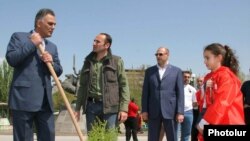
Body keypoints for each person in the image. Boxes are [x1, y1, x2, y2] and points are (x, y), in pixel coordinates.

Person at [5, 8, 63, 141]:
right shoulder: (19, 37)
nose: (53, 27)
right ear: (38, 23)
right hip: (23, 99)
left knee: (48, 137)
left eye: (54, 24)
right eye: (50, 23)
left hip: (46, 103)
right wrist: (32, 44)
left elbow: (58, 70)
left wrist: (51, 63)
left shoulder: (52, 47)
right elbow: (12, 59)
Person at [74, 33, 130, 133]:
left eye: (97, 41)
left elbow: (124, 86)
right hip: (91, 106)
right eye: (94, 41)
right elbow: (82, 86)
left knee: (110, 138)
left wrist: (124, 109)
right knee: (94, 138)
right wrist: (77, 108)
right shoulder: (87, 61)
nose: (93, 43)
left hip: (110, 107)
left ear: (107, 45)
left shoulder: (117, 61)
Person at [196, 43, 245, 141]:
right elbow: (201, 101)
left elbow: (223, 102)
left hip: (228, 122)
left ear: (219, 58)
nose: (204, 61)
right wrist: (203, 89)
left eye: (207, 58)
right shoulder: (208, 77)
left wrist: (205, 122)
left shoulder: (227, 77)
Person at [141, 47, 184, 141]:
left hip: (171, 110)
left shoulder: (177, 71)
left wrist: (180, 112)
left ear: (167, 55)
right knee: (152, 137)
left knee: (172, 137)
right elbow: (145, 92)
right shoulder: (149, 71)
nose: (158, 56)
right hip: (153, 110)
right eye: (156, 54)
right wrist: (144, 110)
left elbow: (180, 92)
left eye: (160, 54)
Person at [178, 71, 197, 141]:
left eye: (188, 77)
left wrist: (189, 105)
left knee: (186, 135)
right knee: (175, 134)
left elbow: (195, 103)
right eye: (185, 77)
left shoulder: (192, 89)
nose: (187, 78)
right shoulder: (176, 87)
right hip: (178, 113)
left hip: (189, 113)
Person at [191, 76, 204, 141]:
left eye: (201, 81)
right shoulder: (195, 92)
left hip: (204, 113)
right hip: (196, 112)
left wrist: (197, 103)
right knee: (194, 131)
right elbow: (193, 103)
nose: (199, 83)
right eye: (198, 81)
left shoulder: (207, 91)